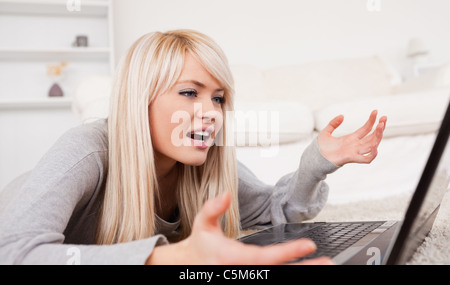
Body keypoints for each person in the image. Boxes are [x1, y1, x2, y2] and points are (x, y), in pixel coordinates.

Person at [0, 30, 386, 265]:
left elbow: (274, 210)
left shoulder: (210, 162)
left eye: (218, 99)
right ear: (140, 100)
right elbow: (14, 253)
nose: (210, 113)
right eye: (189, 93)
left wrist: (315, 163)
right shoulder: (86, 151)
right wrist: (171, 258)